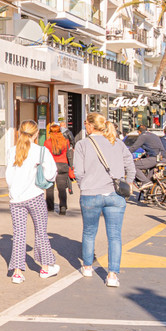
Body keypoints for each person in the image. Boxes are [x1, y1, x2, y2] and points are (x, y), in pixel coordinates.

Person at [71, 113, 136, 288]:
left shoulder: (82, 144)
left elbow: (78, 172)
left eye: (86, 123)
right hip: (115, 194)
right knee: (114, 236)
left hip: (90, 193)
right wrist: (129, 183)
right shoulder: (117, 143)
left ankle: (87, 267)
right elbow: (130, 165)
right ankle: (112, 275)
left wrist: (84, 185)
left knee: (89, 232)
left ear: (91, 126)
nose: (85, 125)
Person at [5, 121, 59, 284]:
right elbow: (50, 174)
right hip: (35, 196)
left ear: (19, 132)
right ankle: (46, 268)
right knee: (41, 232)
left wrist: (14, 192)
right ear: (36, 134)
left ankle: (17, 272)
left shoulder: (12, 151)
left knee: (19, 234)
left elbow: (9, 176)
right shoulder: (41, 151)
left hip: (16, 199)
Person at [44, 123, 72, 214]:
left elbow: (45, 156)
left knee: (49, 188)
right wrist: (71, 165)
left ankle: (50, 207)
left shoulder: (47, 142)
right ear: (60, 131)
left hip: (51, 166)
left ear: (50, 132)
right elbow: (68, 154)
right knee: (62, 188)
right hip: (63, 165)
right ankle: (63, 207)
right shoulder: (65, 141)